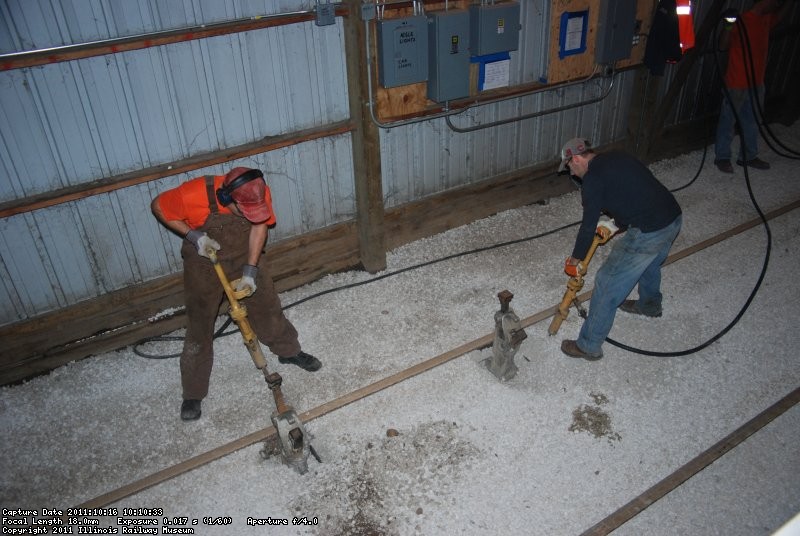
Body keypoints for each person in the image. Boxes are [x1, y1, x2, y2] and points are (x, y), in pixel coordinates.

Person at [152, 167, 321, 421]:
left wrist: (251, 270)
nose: (251, 214)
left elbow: (259, 227)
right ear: (227, 199)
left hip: (244, 252)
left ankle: (289, 351)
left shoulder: (258, 191)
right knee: (200, 322)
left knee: (268, 305)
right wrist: (193, 235)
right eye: (245, 211)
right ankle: (193, 392)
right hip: (203, 258)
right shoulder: (193, 194)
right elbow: (158, 206)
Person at [558, 138, 682, 360]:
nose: (572, 173)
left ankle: (588, 345)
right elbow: (635, 193)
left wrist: (576, 259)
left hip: (650, 230)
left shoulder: (592, 180)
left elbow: (588, 226)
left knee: (607, 282)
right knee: (650, 263)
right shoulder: (618, 157)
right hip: (672, 218)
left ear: (576, 158)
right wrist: (616, 224)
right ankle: (650, 305)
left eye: (570, 167)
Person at [714, 0, 789, 174]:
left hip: (757, 83)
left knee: (752, 121)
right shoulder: (742, 20)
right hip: (736, 83)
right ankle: (722, 157)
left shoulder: (766, 19)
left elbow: (781, 17)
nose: (776, 6)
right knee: (728, 121)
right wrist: (727, 25)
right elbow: (722, 45)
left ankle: (748, 156)